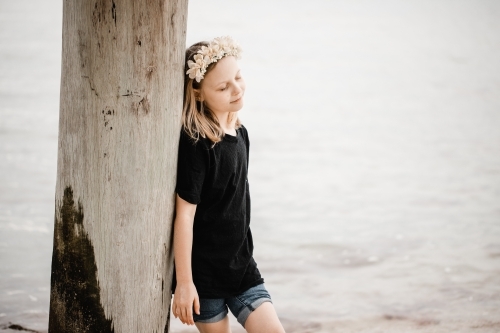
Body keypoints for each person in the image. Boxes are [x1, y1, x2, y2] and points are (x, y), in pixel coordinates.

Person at [171, 36, 285, 333]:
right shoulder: (197, 145)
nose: (236, 89)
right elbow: (184, 215)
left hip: (242, 267)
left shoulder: (240, 133)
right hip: (204, 277)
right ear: (198, 93)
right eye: (223, 87)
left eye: (238, 77)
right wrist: (185, 283)